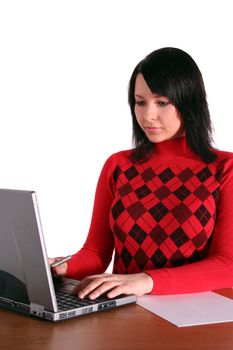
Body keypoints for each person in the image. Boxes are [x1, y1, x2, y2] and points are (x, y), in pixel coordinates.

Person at [49, 47, 233, 300]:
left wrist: (146, 280)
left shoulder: (224, 168)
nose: (148, 116)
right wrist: (61, 267)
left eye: (162, 102)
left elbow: (228, 265)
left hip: (198, 318)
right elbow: (96, 254)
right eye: (140, 102)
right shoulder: (118, 165)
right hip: (125, 313)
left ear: (189, 101)